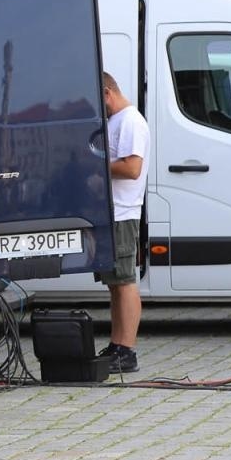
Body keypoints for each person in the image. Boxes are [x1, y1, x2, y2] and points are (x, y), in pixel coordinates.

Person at [97, 72, 150, 375]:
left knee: (126, 280)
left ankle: (127, 349)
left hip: (123, 212)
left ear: (108, 92)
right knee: (115, 284)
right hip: (112, 213)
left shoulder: (130, 120)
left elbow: (132, 167)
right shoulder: (115, 121)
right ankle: (117, 344)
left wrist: (96, 165)